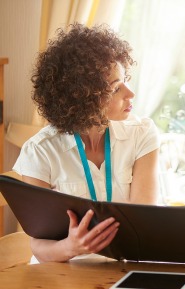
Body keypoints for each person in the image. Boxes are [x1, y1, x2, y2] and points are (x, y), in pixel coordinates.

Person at [13, 23, 160, 263]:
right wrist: (71, 247)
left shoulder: (142, 134)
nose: (130, 94)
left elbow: (144, 222)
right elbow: (39, 246)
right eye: (115, 89)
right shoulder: (40, 151)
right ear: (82, 98)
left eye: (124, 81)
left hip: (124, 267)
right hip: (64, 274)